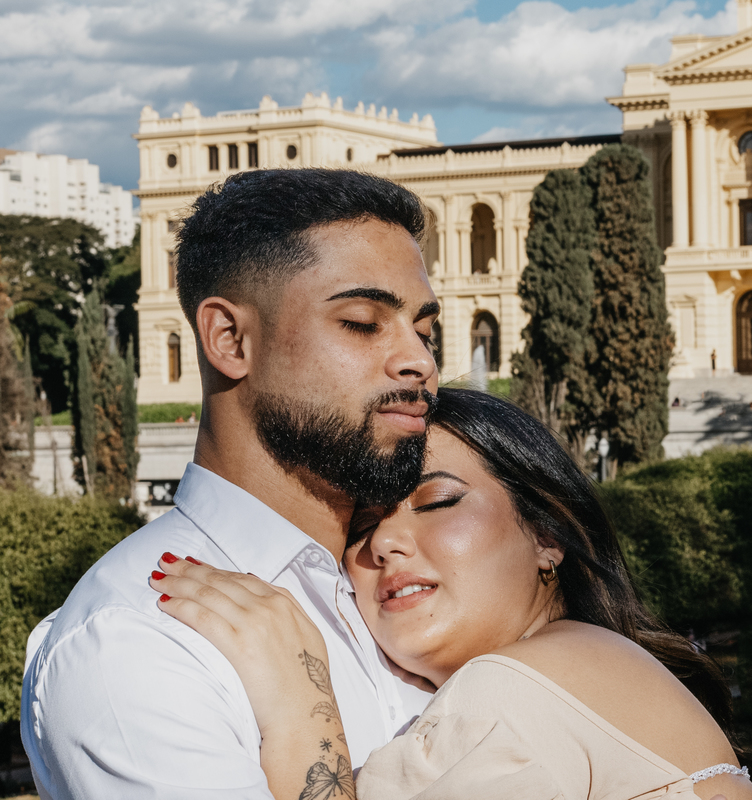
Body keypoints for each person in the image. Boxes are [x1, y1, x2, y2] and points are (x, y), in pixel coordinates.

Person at [152, 390, 752, 799]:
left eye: (437, 501)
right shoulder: (590, 665)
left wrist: (302, 707)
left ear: (548, 536)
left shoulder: (516, 692)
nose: (385, 542)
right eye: (362, 524)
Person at [21, 169, 441, 798]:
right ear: (229, 338)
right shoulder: (139, 640)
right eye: (362, 321)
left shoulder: (409, 591)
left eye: (425, 329)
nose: (421, 361)